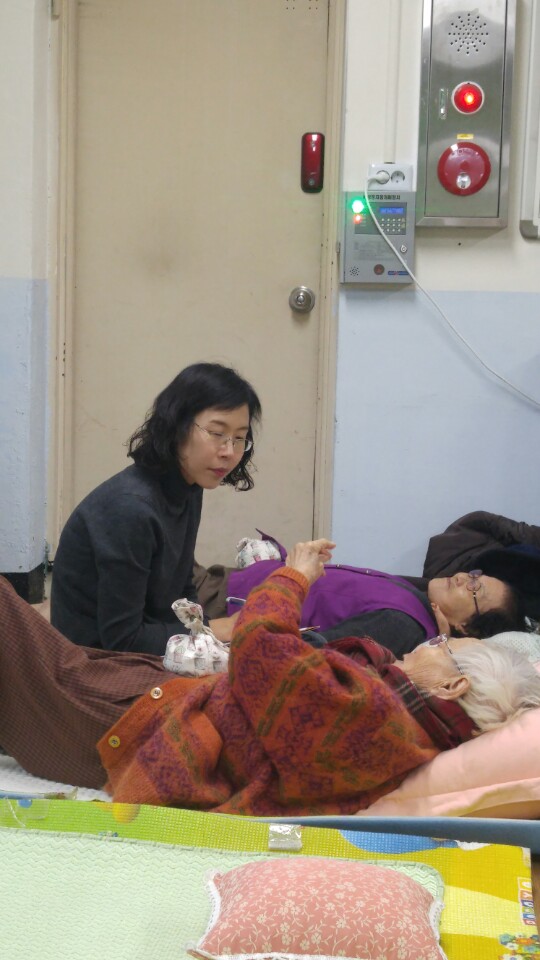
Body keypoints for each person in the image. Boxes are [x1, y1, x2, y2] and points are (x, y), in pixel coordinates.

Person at [1, 540, 539, 816]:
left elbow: (262, 651)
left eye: (444, 647)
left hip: (146, 729)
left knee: (16, 625)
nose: (426, 644)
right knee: (44, 656)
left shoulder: (377, 717)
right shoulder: (395, 721)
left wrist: (294, 576)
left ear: (451, 687)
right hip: (171, 707)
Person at [50, 362, 261, 655]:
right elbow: (122, 641)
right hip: (96, 660)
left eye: (239, 438)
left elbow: (182, 585)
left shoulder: (189, 483)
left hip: (145, 635)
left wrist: (202, 630)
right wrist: (215, 630)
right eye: (216, 433)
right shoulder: (131, 508)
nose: (229, 451)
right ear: (177, 426)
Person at [213, 539, 526, 657]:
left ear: (466, 627)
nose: (463, 578)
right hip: (240, 585)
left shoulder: (403, 626)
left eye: (474, 591)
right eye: (474, 575)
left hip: (228, 611)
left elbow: (313, 652)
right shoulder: (419, 596)